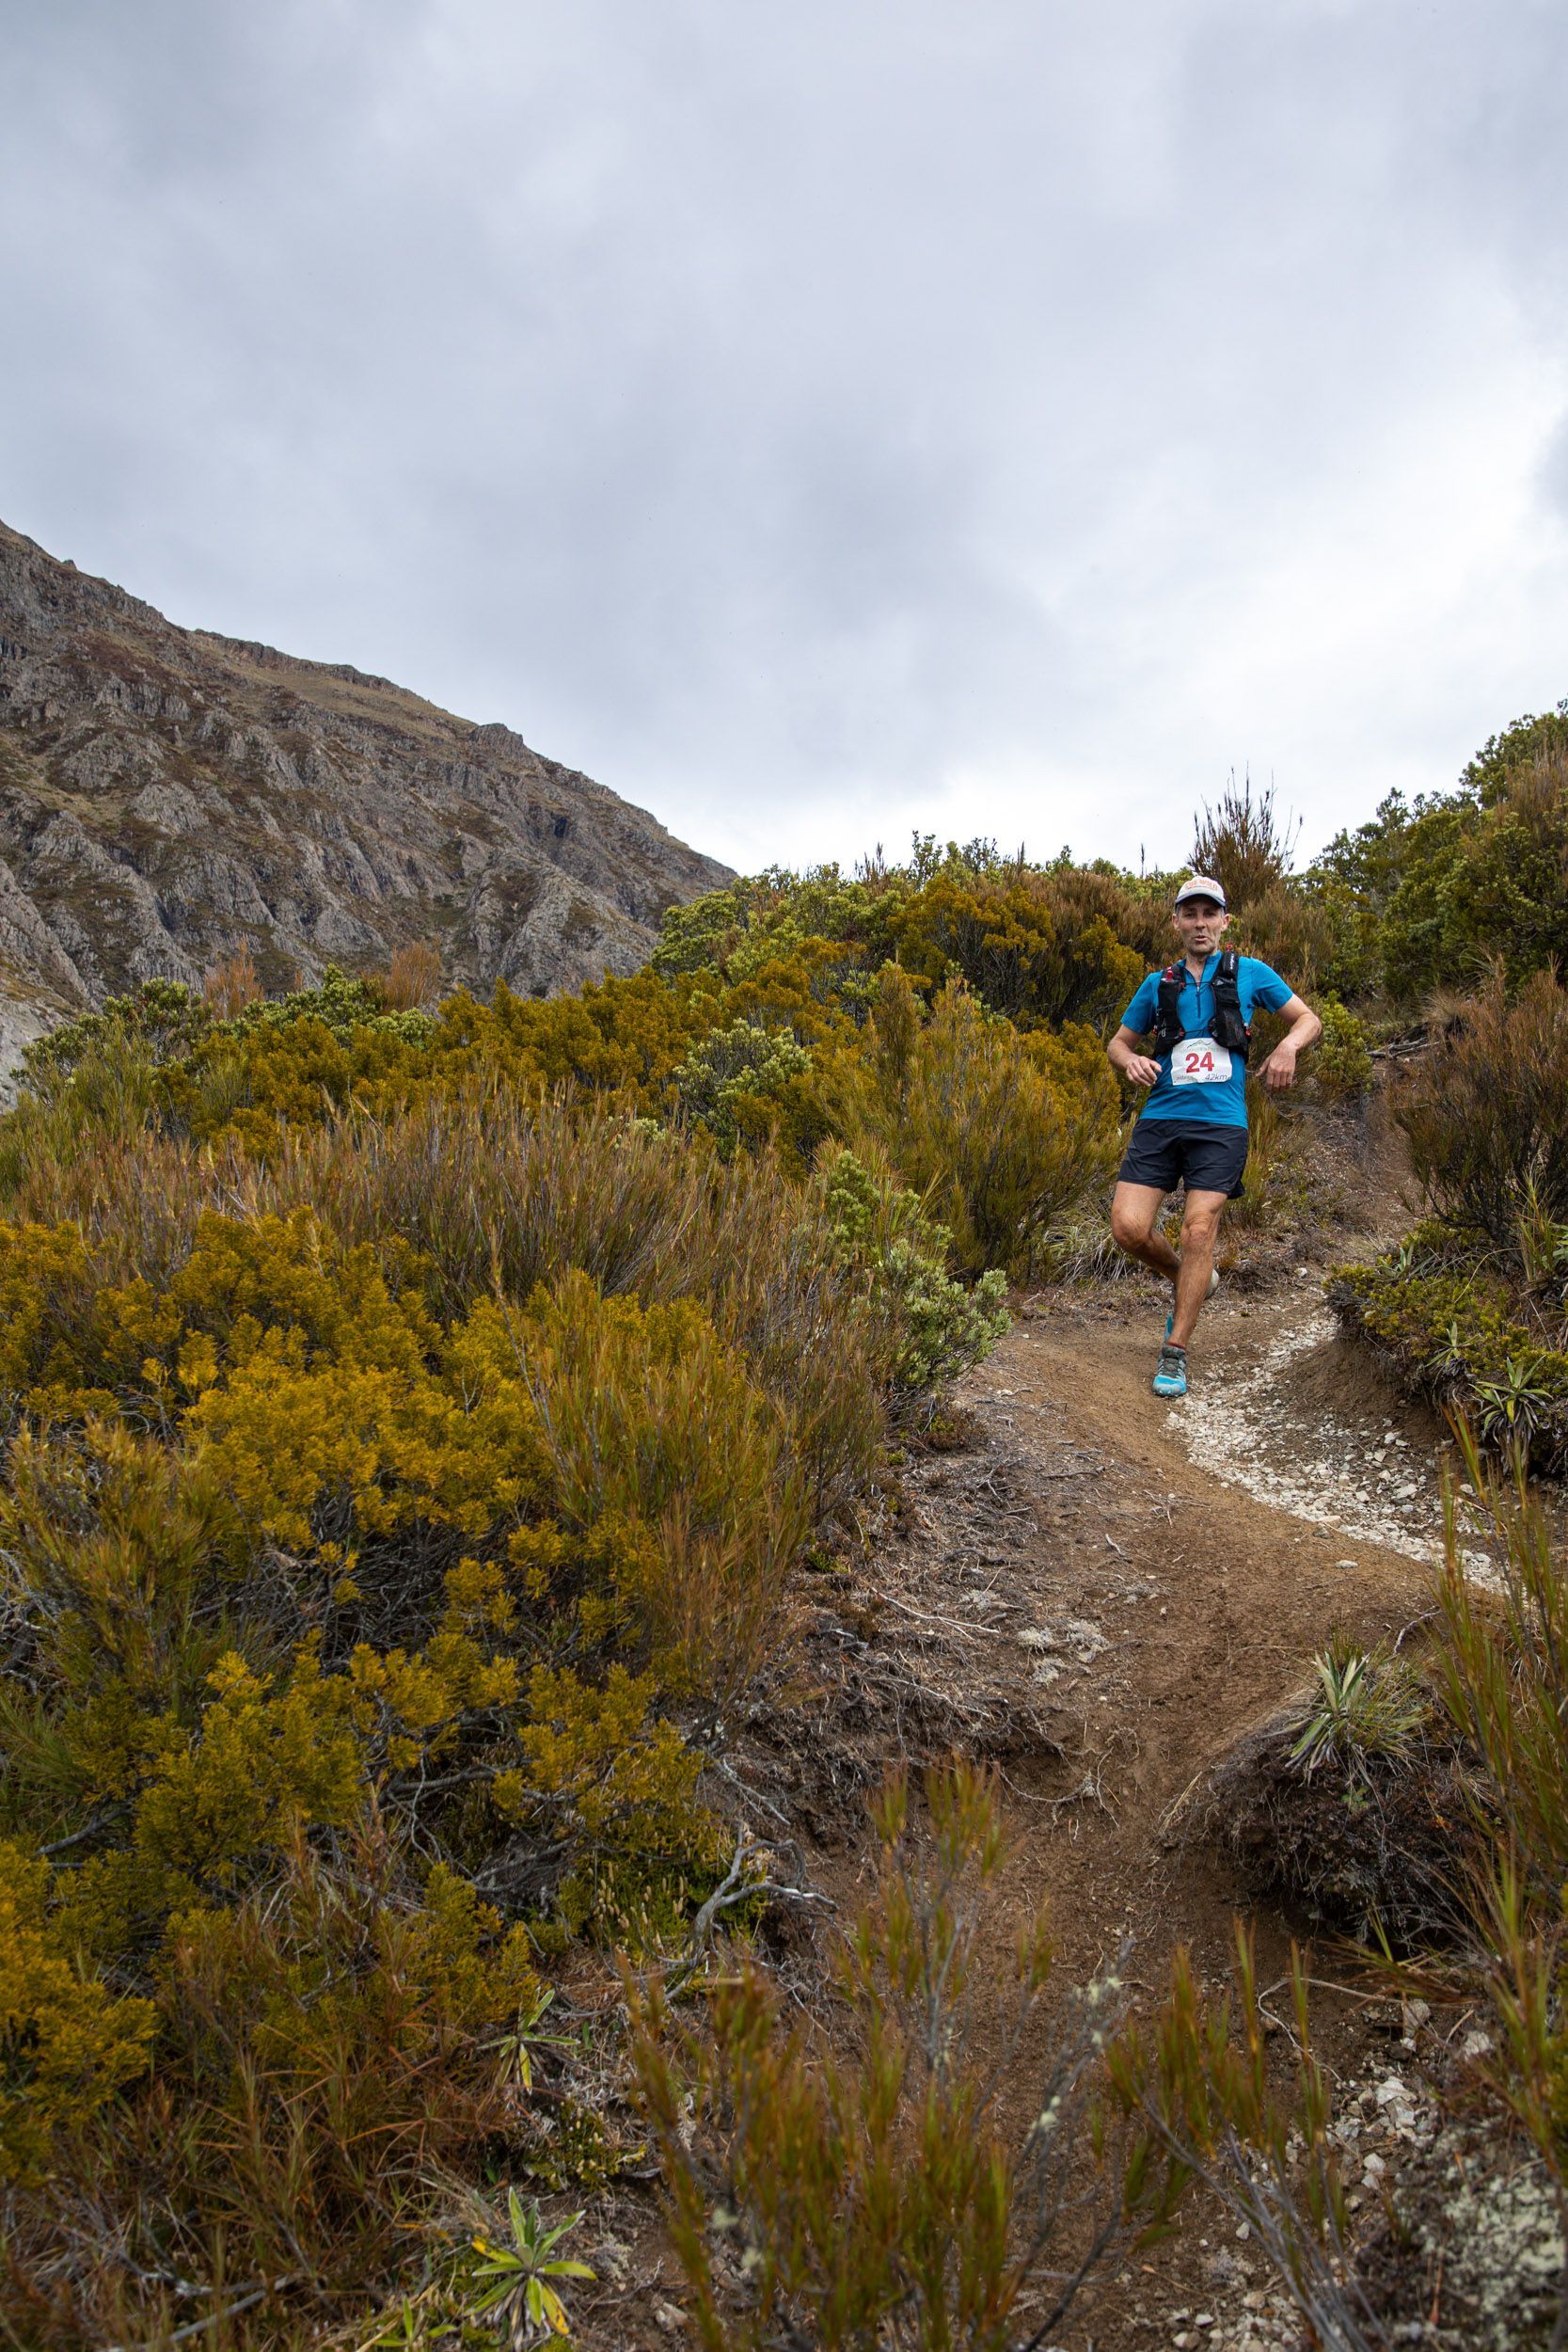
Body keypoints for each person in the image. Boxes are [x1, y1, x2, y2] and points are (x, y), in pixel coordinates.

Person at [1105, 875, 1321, 1399]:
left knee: (1200, 1231)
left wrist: (1289, 1047)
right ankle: (1193, 1279)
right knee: (1127, 1229)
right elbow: (1118, 1042)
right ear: (1177, 922)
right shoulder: (1158, 983)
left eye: (1209, 914)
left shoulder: (1251, 974)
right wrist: (1130, 1059)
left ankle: (1175, 1353)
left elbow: (1307, 1018)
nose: (1199, 923)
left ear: (1225, 921)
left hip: (1221, 1125)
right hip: (1160, 1118)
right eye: (1190, 914)